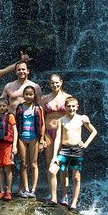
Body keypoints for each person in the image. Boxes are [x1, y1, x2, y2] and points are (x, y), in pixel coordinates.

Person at [46, 96, 98, 213]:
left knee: (76, 177)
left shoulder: (81, 119)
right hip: (64, 150)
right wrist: (54, 155)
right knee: (52, 170)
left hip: (77, 151)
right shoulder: (61, 120)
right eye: (69, 106)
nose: (71, 108)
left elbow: (94, 131)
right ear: (65, 107)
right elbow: (58, 138)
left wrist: (85, 144)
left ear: (77, 106)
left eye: (73, 106)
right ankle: (54, 199)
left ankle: (73, 204)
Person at [40, 74, 72, 202]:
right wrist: (42, 138)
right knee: (50, 165)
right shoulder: (44, 99)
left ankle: (64, 196)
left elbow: (72, 117)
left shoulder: (68, 98)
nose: (55, 85)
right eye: (52, 83)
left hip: (63, 134)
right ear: (49, 84)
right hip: (48, 133)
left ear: (61, 82)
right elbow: (41, 119)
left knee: (63, 165)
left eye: (57, 82)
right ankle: (52, 194)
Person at [15, 85, 45, 199]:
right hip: (22, 137)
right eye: (26, 94)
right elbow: (15, 124)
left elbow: (42, 125)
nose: (28, 96)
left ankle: (33, 190)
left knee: (33, 164)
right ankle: (26, 189)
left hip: (34, 138)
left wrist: (41, 140)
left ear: (34, 96)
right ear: (23, 95)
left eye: (31, 94)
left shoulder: (38, 108)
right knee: (23, 163)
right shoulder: (20, 107)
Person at [0, 99, 17, 201]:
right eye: (0, 106)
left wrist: (14, 146)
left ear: (7, 107)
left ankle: (9, 190)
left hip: (8, 145)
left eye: (3, 106)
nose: (1, 107)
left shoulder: (10, 117)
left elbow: (15, 131)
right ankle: (1, 190)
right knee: (0, 169)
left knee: (7, 168)